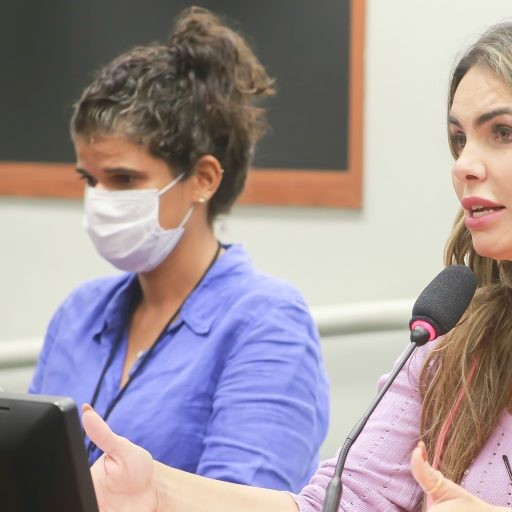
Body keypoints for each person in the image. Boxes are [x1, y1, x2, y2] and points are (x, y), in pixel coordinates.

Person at [80, 16, 512, 511]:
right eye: (458, 138)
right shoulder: (459, 329)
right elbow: (334, 507)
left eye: (504, 133)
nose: (466, 165)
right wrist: (158, 488)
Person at [29, 6, 329, 492]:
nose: (102, 200)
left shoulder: (267, 323)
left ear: (203, 180)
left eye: (124, 179)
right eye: (90, 179)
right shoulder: (78, 315)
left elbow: (246, 502)